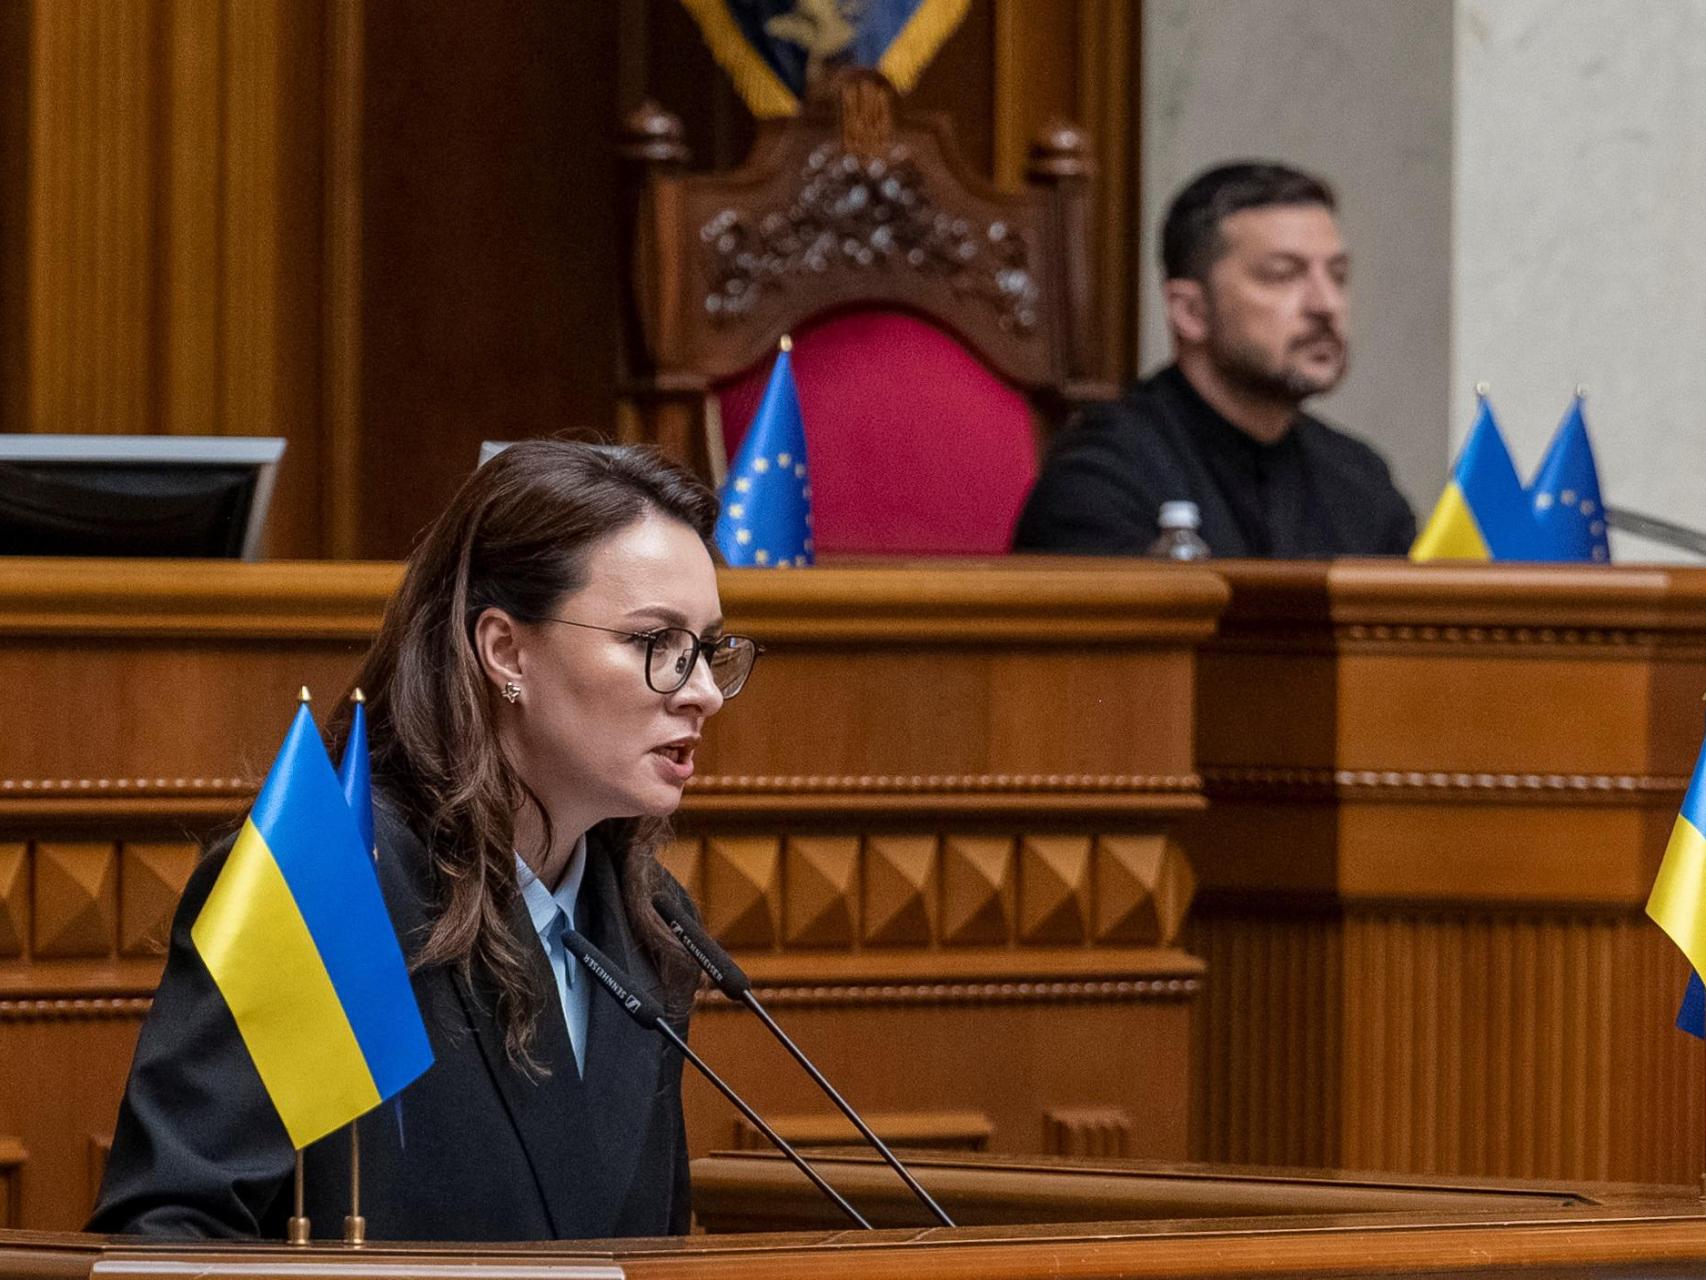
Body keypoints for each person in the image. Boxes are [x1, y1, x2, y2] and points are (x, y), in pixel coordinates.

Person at [88, 441, 761, 1240]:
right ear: (506, 651)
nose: (706, 693)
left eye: (710, 649)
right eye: (658, 645)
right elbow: (166, 1230)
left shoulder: (647, 920)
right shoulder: (326, 883)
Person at [1012, 162, 1416, 558]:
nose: (1326, 304)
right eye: (1282, 274)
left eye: (1338, 275)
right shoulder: (1102, 481)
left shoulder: (1359, 479)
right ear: (1191, 311)